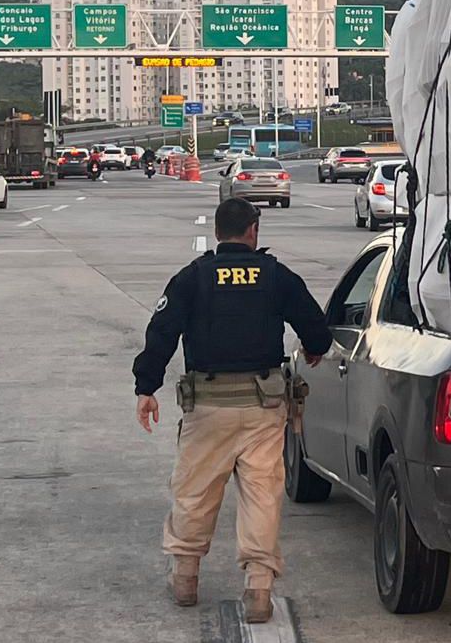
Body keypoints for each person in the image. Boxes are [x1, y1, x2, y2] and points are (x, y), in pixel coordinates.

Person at [132, 197, 332, 623]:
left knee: (194, 491)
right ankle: (258, 589)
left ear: (219, 232)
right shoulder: (276, 276)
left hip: (207, 408)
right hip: (264, 408)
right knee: (262, 495)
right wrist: (315, 349)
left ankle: (185, 578)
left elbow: (161, 331)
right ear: (254, 230)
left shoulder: (194, 277)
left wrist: (146, 387)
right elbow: (315, 326)